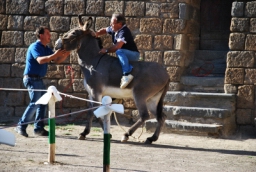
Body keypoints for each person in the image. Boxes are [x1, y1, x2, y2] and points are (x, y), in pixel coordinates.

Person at [15, 26, 70, 137]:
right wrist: (55, 54)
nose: (50, 36)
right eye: (47, 33)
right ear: (41, 35)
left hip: (38, 79)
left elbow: (57, 60)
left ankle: (38, 129)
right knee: (35, 103)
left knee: (42, 104)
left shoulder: (46, 48)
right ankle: (21, 126)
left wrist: (67, 52)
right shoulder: (34, 46)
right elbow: (40, 60)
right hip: (30, 78)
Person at [95, 13, 140, 89]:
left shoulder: (124, 32)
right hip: (124, 54)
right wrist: (96, 34)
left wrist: (106, 50)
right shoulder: (114, 29)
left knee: (119, 51)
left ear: (119, 24)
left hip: (133, 55)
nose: (110, 25)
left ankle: (127, 73)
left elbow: (117, 47)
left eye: (112, 23)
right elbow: (104, 30)